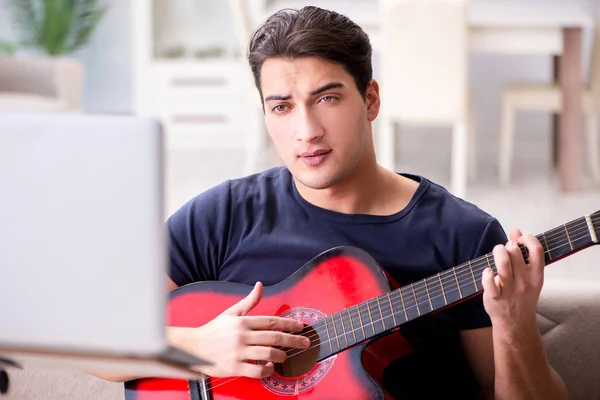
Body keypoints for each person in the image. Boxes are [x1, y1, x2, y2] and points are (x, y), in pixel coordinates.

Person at [93, 6, 567, 400]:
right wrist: (195, 345)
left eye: (327, 98)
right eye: (282, 106)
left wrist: (515, 325)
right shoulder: (221, 215)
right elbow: (94, 341)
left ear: (371, 100)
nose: (307, 131)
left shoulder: (464, 234)